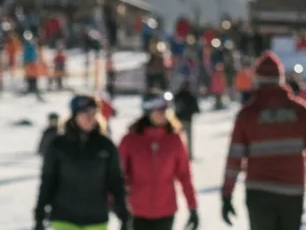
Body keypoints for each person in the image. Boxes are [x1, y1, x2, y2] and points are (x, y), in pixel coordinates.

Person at [221, 51, 306, 230]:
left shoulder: (247, 114)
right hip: (292, 192)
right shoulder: (300, 111)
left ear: (257, 79)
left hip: (258, 193)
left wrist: (226, 195)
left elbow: (234, 159)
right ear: (281, 78)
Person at [35, 94, 131, 230]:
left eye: (93, 113)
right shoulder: (58, 145)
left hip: (96, 219)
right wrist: (40, 214)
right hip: (64, 218)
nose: (90, 118)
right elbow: (48, 181)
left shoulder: (105, 146)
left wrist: (124, 214)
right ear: (74, 115)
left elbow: (115, 182)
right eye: (85, 114)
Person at [119, 93, 199, 230]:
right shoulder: (130, 140)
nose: (163, 114)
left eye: (166, 110)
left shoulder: (175, 139)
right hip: (136, 211)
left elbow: (184, 174)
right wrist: (117, 205)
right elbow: (118, 174)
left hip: (165, 211)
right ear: (148, 111)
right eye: (159, 110)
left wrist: (192, 207)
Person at [172, 83, 200, 159]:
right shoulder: (191, 96)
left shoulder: (177, 96)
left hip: (179, 120)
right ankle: (189, 155)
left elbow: (173, 106)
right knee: (188, 139)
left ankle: (177, 155)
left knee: (177, 139)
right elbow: (197, 109)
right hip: (187, 120)